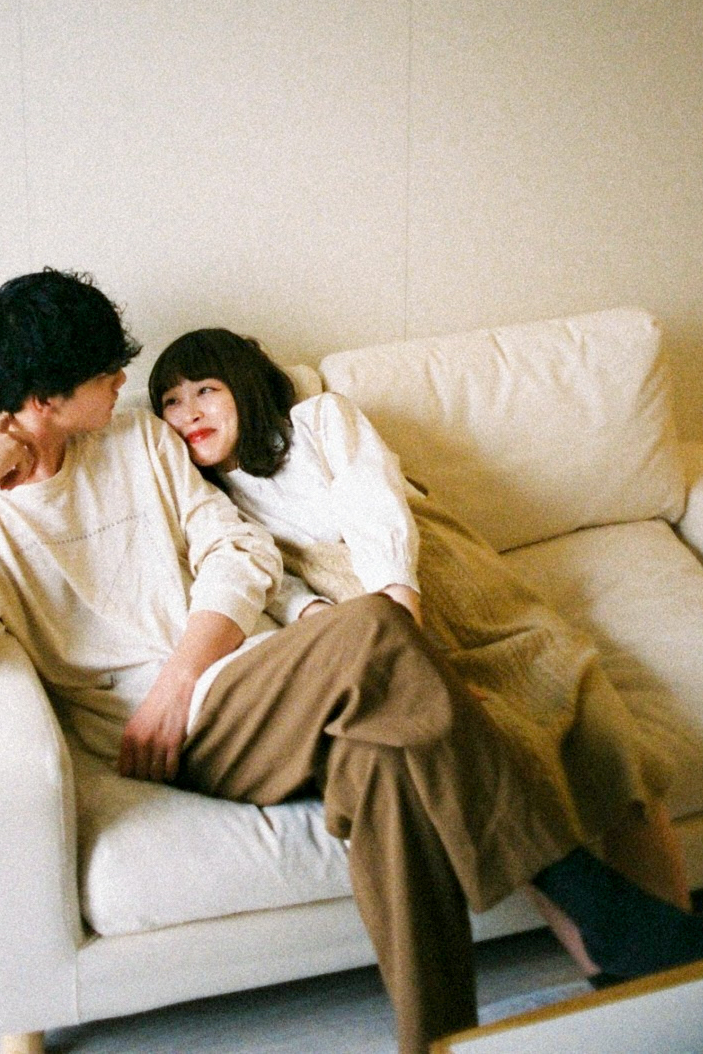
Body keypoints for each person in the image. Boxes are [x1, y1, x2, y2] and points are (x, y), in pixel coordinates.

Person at [0, 272, 700, 1054]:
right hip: (182, 738)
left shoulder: (138, 441)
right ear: (43, 401)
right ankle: (589, 900)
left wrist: (179, 675)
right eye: (106, 372)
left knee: (389, 769)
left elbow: (241, 552)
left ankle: (437, 1039)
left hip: (251, 681)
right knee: (374, 623)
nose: (123, 379)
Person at [149, 328, 703, 989]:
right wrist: (330, 623)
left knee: (603, 734)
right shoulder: (210, 503)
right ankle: (621, 976)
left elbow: (377, 506)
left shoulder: (318, 419)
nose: (188, 413)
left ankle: (679, 973)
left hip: (436, 580)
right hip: (365, 626)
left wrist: (401, 616)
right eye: (170, 401)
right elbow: (274, 587)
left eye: (204, 390)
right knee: (499, 758)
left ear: (243, 384)